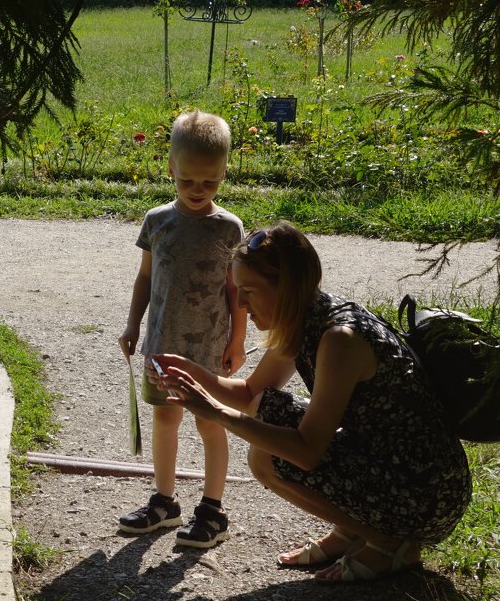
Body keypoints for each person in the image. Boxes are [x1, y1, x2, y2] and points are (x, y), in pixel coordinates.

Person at [153, 222, 472, 581]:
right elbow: (248, 394)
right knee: (267, 414)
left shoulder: (339, 338)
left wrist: (214, 412)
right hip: (390, 464)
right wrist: (195, 375)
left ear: (286, 288)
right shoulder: (307, 317)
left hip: (426, 492)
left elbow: (307, 452)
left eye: (249, 291)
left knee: (268, 456)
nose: (240, 304)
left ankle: (388, 543)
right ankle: (352, 531)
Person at [118, 110, 247, 548]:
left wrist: (238, 340)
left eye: (209, 182)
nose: (197, 190)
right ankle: (165, 502)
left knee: (212, 422)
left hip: (209, 350)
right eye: (187, 180)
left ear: (224, 173)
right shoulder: (158, 221)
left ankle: (212, 509)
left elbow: (236, 291)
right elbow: (145, 278)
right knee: (165, 418)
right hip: (161, 344)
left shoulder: (229, 228)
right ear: (170, 168)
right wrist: (133, 324)